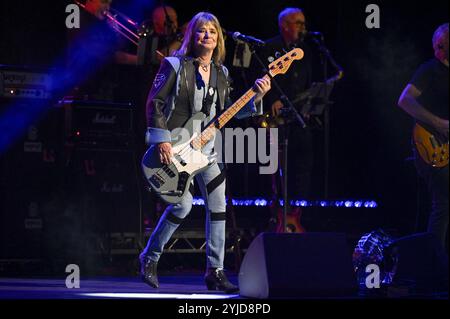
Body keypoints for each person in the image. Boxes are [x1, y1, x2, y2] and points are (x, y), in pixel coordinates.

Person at [139, 11, 271, 292]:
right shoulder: (174, 64)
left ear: (219, 38)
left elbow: (230, 113)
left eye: (213, 30)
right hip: (176, 146)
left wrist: (257, 96)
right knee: (183, 204)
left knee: (218, 207)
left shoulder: (222, 73)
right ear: (192, 36)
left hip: (209, 151)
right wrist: (161, 139)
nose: (207, 34)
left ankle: (216, 270)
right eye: (201, 30)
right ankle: (149, 257)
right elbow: (155, 103)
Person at [254, 7, 315, 201]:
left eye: (304, 23)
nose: (303, 27)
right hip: (275, 118)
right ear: (285, 25)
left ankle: (297, 210)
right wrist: (273, 99)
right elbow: (261, 77)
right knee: (273, 166)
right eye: (299, 23)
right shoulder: (268, 47)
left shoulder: (305, 49)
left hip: (298, 116)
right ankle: (274, 209)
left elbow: (307, 80)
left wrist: (308, 106)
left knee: (302, 161)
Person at [398, 23, 449, 250]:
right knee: (444, 205)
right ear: (440, 46)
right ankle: (433, 264)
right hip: (433, 144)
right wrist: (438, 122)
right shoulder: (429, 70)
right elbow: (405, 100)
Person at [66, 0, 137, 100]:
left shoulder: (103, 23)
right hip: (83, 87)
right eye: (104, 2)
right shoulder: (76, 18)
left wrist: (116, 33)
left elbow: (116, 49)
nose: (107, 8)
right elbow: (108, 55)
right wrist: (141, 59)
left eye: (109, 4)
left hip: (104, 86)